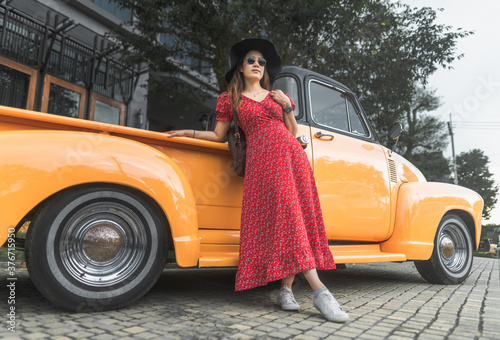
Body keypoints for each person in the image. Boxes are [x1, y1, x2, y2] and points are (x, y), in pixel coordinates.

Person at [166, 38, 349, 323]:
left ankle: (286, 291)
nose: (256, 65)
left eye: (261, 62)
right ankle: (320, 291)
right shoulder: (231, 99)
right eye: (250, 60)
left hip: (291, 159)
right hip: (263, 165)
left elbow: (292, 131)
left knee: (292, 219)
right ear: (240, 68)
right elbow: (217, 135)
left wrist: (288, 107)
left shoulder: (277, 95)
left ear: (265, 70)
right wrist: (187, 133)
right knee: (286, 218)